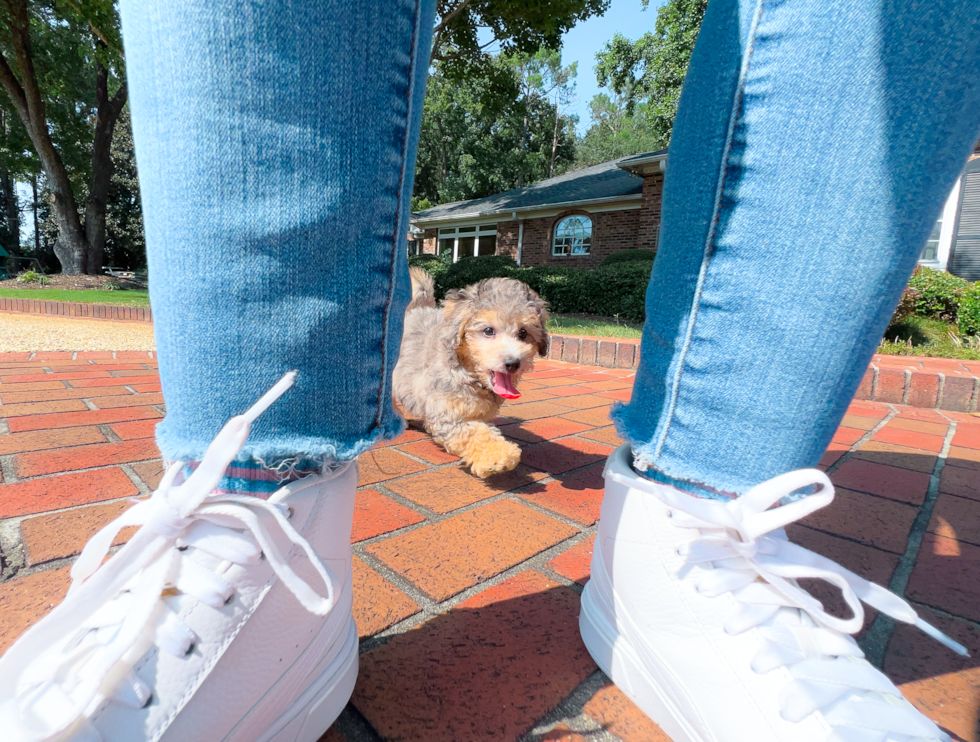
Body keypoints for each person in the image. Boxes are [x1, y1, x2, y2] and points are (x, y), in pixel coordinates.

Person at [0, 0, 977, 740]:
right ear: (464, 328)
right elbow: (437, 399)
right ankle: (255, 506)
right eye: (493, 337)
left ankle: (697, 528)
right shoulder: (438, 343)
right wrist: (469, 423)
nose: (511, 351)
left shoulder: (505, 345)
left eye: (521, 339)